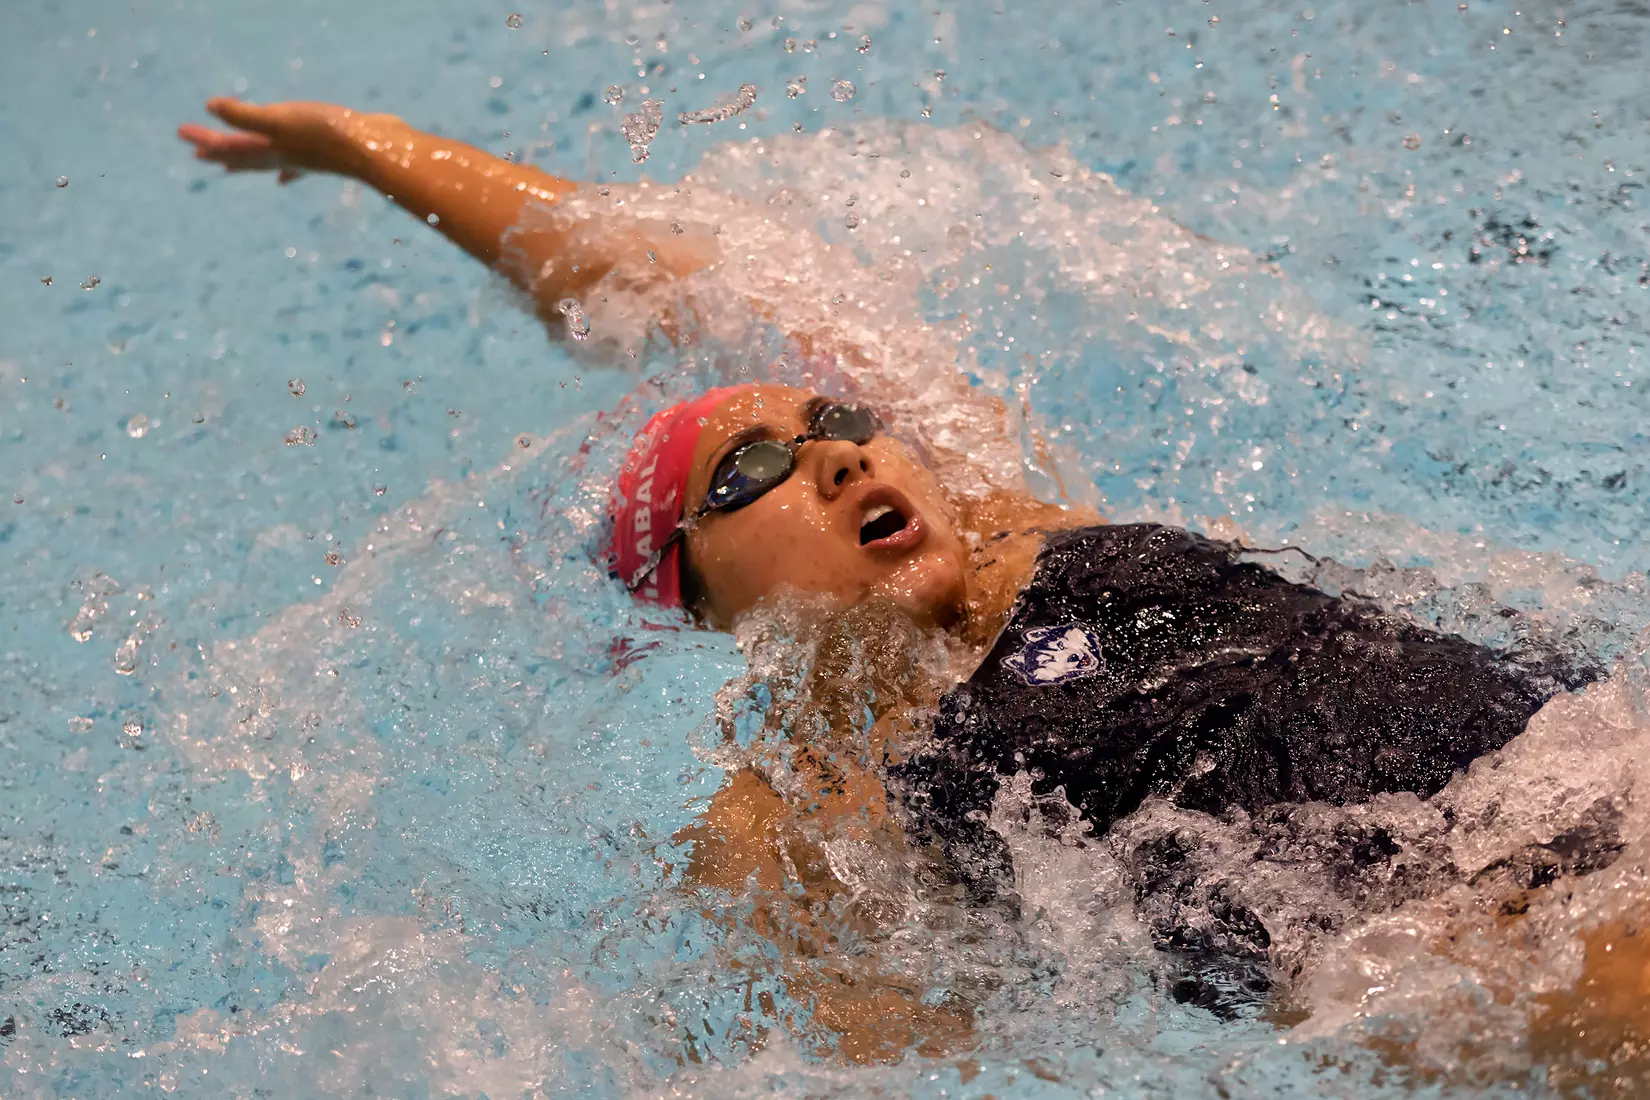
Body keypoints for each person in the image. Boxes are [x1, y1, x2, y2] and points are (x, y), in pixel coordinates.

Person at [180, 98, 1636, 1073]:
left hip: (1594, 761)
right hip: (1461, 950)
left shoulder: (1015, 515)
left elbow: (674, 275)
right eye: (745, 478)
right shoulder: (801, 814)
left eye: (834, 427)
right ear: (689, 598)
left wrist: (377, 150)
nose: (826, 458)